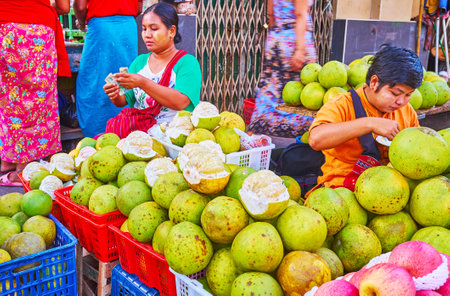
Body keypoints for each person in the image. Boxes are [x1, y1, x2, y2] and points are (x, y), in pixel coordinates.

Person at [308, 46, 423, 190]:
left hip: (389, 189)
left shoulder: (406, 111)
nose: (401, 102)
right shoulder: (342, 104)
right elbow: (315, 139)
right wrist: (370, 123)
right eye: (395, 93)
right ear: (374, 82)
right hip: (341, 191)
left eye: (408, 95)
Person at [103, 2, 201, 137]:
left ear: (171, 31)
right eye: (144, 29)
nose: (147, 35)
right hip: (140, 138)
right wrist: (115, 95)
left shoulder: (187, 63)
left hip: (174, 137)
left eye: (154, 29)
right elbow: (125, 99)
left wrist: (142, 83)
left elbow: (181, 102)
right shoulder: (139, 62)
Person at [0, 0, 71, 186]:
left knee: (8, 97)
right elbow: (64, 7)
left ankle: (6, 162)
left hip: (4, 25)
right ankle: (23, 170)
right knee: (35, 98)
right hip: (37, 27)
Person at [247, 0, 317, 144]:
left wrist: (276, 40)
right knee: (303, 90)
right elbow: (299, 14)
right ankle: (302, 131)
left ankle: (257, 127)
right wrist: (300, 49)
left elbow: (271, 15)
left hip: (276, 38)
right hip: (294, 39)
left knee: (270, 88)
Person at [74, 0, 142, 137]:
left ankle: (97, 133)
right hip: (127, 27)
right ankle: (124, 127)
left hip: (101, 28)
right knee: (125, 78)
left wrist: (82, 22)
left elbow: (80, 6)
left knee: (94, 80)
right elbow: (139, 6)